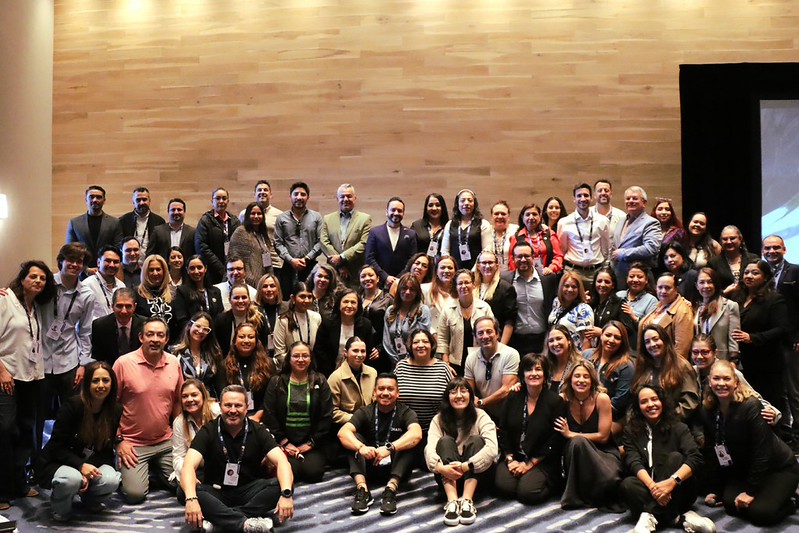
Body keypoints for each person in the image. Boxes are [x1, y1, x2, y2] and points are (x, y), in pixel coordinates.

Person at [180, 384, 294, 533]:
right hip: (217, 491)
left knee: (284, 485)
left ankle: (219, 520)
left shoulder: (258, 430)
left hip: (249, 491)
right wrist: (191, 499)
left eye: (238, 405)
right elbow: (188, 466)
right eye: (228, 405)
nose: (233, 410)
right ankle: (245, 523)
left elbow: (282, 461)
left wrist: (286, 495)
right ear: (220, 407)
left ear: (246, 408)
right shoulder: (208, 430)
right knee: (184, 491)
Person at [699, 360, 799, 527]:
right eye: (716, 378)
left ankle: (792, 501)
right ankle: (767, 495)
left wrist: (751, 492)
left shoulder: (750, 406)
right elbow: (713, 451)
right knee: (730, 504)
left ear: (736, 382)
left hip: (778, 468)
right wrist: (716, 489)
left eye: (726, 378)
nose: (721, 383)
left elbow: (762, 452)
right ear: (710, 382)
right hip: (746, 469)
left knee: (761, 514)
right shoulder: (707, 410)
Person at [0, 261, 57, 509]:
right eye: (33, 276)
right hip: (7, 377)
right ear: (22, 278)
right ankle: (1, 490)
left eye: (42, 278)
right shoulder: (5, 300)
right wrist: (2, 371)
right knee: (4, 430)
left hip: (31, 377)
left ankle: (19, 483)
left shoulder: (36, 307)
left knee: (25, 430)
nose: (38, 281)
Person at [34, 362, 122, 521]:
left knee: (112, 479)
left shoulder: (115, 410)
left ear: (112, 384)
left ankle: (91, 500)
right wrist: (80, 466)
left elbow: (106, 450)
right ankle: (61, 509)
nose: (101, 385)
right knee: (72, 479)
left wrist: (90, 471)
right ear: (87, 383)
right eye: (95, 381)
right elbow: (56, 448)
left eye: (105, 380)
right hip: (58, 462)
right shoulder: (72, 406)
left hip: (89, 462)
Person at [620, 385, 715, 533]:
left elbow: (696, 458)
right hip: (651, 488)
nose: (650, 404)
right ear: (638, 407)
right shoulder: (630, 431)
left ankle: (648, 516)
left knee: (675, 457)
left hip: (680, 489)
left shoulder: (679, 427)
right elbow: (633, 461)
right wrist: (654, 488)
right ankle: (679, 519)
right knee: (627, 485)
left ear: (662, 402)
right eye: (644, 402)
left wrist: (671, 483)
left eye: (654, 399)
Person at [113, 317, 183, 504]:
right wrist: (118, 441)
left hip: (165, 440)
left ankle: (155, 470)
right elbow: (110, 405)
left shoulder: (174, 363)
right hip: (132, 443)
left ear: (166, 339)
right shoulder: (123, 363)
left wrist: (180, 437)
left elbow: (178, 401)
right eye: (150, 334)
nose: (155, 339)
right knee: (135, 495)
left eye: (160, 335)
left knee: (186, 484)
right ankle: (141, 471)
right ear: (141, 337)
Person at [338, 373, 423, 516]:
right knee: (352, 439)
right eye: (381, 389)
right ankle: (363, 490)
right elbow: (343, 432)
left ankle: (391, 490)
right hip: (370, 465)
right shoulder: (365, 411)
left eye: (390, 389)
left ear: (398, 393)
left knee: (409, 441)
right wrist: (361, 447)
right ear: (374, 392)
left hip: (396, 468)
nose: (385, 393)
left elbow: (417, 433)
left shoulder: (405, 412)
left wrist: (390, 448)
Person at [39, 243, 95, 446]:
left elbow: (86, 331)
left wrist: (83, 364)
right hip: (40, 360)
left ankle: (66, 452)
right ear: (61, 261)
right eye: (70, 259)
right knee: (38, 414)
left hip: (69, 360)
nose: (74, 264)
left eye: (79, 261)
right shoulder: (44, 284)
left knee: (71, 412)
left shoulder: (86, 294)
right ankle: (37, 458)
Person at [425, 377, 498, 527]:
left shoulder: (481, 415)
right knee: (444, 441)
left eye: (463, 391)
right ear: (447, 397)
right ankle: (452, 502)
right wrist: (440, 468)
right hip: (448, 476)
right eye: (453, 392)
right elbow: (429, 448)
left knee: (477, 440)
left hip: (476, 476)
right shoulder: (438, 419)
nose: (458, 395)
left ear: (471, 395)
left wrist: (467, 466)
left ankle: (467, 501)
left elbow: (492, 448)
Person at [495, 354, 565, 505]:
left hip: (541, 459)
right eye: (529, 370)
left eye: (538, 369)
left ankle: (551, 483)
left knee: (527, 493)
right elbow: (503, 429)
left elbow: (555, 439)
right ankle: (522, 477)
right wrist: (510, 459)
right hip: (515, 456)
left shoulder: (555, 401)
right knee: (504, 487)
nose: (533, 373)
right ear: (522, 374)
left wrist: (529, 464)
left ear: (545, 374)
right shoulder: (513, 396)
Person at [555, 361, 623, 511]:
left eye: (586, 377)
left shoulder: (602, 398)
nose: (581, 380)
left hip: (603, 452)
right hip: (574, 454)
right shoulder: (562, 399)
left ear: (592, 380)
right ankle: (573, 497)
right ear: (570, 379)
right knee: (577, 443)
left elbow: (604, 437)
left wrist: (571, 434)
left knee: (611, 480)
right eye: (577, 376)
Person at [728, 259, 791, 419]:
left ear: (766, 277)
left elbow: (782, 329)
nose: (749, 276)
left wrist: (753, 338)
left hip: (766, 363)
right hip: (744, 362)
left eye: (755, 273)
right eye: (746, 272)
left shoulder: (774, 299)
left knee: (769, 406)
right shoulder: (737, 297)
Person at [263, 341, 332, 483]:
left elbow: (326, 415)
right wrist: (285, 442)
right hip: (283, 442)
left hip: (312, 443)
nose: (301, 359)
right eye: (296, 356)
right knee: (291, 472)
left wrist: (311, 443)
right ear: (289, 359)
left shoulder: (320, 380)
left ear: (311, 359)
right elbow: (269, 414)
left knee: (313, 473)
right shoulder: (276, 382)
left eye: (305, 356)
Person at [690, 334, 779, 426]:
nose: (699, 356)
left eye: (705, 352)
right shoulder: (690, 372)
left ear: (715, 353)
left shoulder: (731, 372)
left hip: (732, 423)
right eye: (695, 352)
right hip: (704, 423)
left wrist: (772, 412)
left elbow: (753, 396)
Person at [762, 234, 799, 450]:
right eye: (768, 248)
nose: (772, 251)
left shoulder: (794, 271)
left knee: (794, 391)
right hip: (769, 341)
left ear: (784, 249)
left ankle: (798, 436)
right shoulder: (759, 272)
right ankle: (784, 434)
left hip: (790, 341)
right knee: (778, 391)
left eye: (776, 247)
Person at [632, 325, 699, 421]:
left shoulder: (682, 366)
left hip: (674, 422)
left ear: (665, 340)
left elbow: (689, 403)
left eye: (655, 339)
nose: (652, 344)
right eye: (647, 342)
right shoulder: (642, 366)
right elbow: (634, 398)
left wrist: (665, 420)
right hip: (645, 423)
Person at [502, 242, 557, 354]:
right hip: (515, 342)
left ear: (533, 257)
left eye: (526, 256)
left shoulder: (548, 279)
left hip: (542, 341)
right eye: (519, 256)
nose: (523, 259)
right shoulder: (505, 280)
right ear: (513, 258)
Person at [395, 329, 454, 435]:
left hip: (437, 429)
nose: (421, 345)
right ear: (410, 346)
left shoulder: (442, 367)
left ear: (432, 345)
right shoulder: (401, 367)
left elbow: (454, 395)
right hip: (404, 430)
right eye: (416, 342)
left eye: (425, 342)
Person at [437, 270, 494, 376]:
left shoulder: (484, 308)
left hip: (481, 362)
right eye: (460, 283)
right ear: (456, 287)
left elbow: (493, 335)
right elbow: (442, 339)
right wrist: (446, 363)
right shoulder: (448, 309)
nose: (464, 286)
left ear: (473, 285)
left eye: (467, 282)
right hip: (455, 364)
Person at [274, 181, 324, 297]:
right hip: (288, 266)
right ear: (290, 196)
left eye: (303, 194)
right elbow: (278, 243)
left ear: (308, 197)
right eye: (296, 194)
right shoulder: (281, 218)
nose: (299, 197)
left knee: (309, 297)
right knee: (286, 298)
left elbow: (321, 242)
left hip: (310, 265)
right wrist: (291, 260)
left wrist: (307, 258)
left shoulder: (316, 217)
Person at [216, 322, 274, 421]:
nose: (246, 340)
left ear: (256, 341)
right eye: (242, 337)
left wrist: (258, 416)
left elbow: (271, 395)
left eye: (250, 337)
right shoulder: (224, 366)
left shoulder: (268, 364)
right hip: (233, 416)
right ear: (235, 340)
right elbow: (223, 395)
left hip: (262, 416)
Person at [464, 317, 520, 420]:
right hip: (483, 414)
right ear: (475, 337)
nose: (485, 336)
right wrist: (475, 402)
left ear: (497, 334)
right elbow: (469, 391)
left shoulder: (511, 354)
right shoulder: (471, 358)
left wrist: (481, 402)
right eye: (480, 333)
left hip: (509, 413)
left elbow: (506, 390)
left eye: (489, 331)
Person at [586, 321, 635, 434]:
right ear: (601, 335)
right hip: (582, 409)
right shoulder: (587, 355)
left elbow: (619, 403)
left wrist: (591, 413)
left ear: (623, 341)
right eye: (608, 335)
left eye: (617, 338)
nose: (611, 340)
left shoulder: (626, 366)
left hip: (611, 417)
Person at [558, 183, 611, 289]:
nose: (583, 199)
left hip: (596, 272)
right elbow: (562, 250)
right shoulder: (564, 222)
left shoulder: (603, 221)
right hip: (573, 271)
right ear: (574, 199)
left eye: (586, 195)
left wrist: (604, 269)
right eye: (579, 196)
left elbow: (606, 249)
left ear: (591, 198)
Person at [314, 289, 375, 377]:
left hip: (358, 373)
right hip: (329, 372)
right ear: (339, 304)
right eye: (345, 302)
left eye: (353, 302)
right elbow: (319, 350)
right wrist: (333, 373)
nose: (349, 305)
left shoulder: (366, 325)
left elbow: (368, 351)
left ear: (358, 306)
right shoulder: (327, 323)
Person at [321, 183, 373, 287]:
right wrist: (339, 264)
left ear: (355, 198)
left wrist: (342, 257)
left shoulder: (365, 219)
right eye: (342, 196)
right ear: (337, 199)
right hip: (333, 272)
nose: (345, 199)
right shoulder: (327, 219)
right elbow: (324, 242)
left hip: (355, 273)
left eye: (349, 196)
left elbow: (363, 244)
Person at [611, 186, 662, 289]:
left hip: (639, 279)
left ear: (644, 202)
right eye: (628, 198)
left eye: (634, 198)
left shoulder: (651, 222)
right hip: (618, 277)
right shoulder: (621, 220)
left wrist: (623, 254)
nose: (630, 201)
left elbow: (651, 248)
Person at [170, 379, 219, 483]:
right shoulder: (179, 422)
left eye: (194, 395)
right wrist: (188, 474)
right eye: (185, 396)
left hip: (220, 466)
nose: (189, 399)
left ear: (203, 396)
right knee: (183, 488)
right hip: (197, 469)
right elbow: (178, 457)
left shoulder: (217, 411)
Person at [65, 185, 123, 273]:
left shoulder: (115, 223)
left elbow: (118, 249)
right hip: (81, 273)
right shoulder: (74, 223)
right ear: (86, 199)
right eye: (91, 197)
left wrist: (103, 267)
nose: (95, 200)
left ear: (104, 200)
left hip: (107, 271)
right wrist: (85, 269)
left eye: (99, 197)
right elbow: (70, 251)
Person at [365, 196, 418, 290]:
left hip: (402, 284)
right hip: (379, 283)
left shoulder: (411, 234)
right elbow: (369, 258)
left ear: (403, 213)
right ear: (386, 212)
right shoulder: (375, 232)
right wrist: (385, 277)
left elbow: (412, 260)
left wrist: (398, 279)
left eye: (399, 211)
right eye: (393, 210)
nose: (396, 213)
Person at [382, 273, 432, 370]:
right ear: (399, 289)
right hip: (395, 365)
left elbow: (422, 340)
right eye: (404, 288)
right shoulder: (390, 311)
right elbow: (386, 341)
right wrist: (398, 361)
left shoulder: (422, 311)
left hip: (417, 363)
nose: (407, 292)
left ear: (417, 292)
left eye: (412, 289)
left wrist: (408, 361)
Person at [639, 272, 694, 359]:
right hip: (651, 361)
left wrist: (672, 366)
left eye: (667, 288)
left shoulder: (683, 311)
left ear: (676, 289)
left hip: (669, 363)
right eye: (660, 287)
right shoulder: (659, 305)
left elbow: (682, 349)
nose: (663, 291)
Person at [170, 312, 223, 398]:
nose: (201, 331)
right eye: (198, 326)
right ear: (190, 325)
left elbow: (218, 383)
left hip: (209, 401)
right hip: (184, 399)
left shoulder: (214, 353)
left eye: (205, 329)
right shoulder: (175, 352)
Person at [195, 187, 241, 285]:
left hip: (232, 270)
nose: (221, 201)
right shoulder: (205, 220)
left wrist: (231, 266)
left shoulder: (234, 220)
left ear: (228, 201)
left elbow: (239, 244)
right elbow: (201, 246)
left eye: (224, 198)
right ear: (212, 201)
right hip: (211, 271)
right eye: (218, 198)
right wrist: (220, 267)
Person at [328, 336, 377, 426]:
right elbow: (333, 411)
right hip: (346, 425)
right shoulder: (335, 378)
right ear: (345, 352)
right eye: (355, 351)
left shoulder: (372, 373)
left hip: (372, 423)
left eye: (363, 351)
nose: (360, 355)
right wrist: (357, 419)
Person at [237, 180, 284, 274]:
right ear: (254, 194)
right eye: (259, 190)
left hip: (274, 261)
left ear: (271, 194)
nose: (262, 192)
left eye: (265, 190)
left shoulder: (279, 215)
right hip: (251, 262)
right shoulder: (244, 214)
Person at [694, 267, 740, 361]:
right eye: (702, 282)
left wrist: (734, 360)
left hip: (723, 360)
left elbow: (734, 338)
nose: (706, 286)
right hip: (700, 359)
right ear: (696, 286)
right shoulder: (697, 308)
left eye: (710, 282)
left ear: (716, 284)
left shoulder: (730, 306)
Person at [171, 255, 224, 334]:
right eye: (192, 268)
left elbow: (220, 317)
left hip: (213, 336)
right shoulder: (182, 291)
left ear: (205, 268)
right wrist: (198, 332)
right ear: (187, 270)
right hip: (191, 335)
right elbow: (182, 320)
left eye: (199, 267)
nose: (196, 271)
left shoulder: (215, 291)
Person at [273, 281, 322, 366]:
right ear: (293, 298)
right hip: (289, 368)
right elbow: (279, 354)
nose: (306, 300)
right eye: (302, 296)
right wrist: (298, 364)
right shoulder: (283, 320)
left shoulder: (317, 318)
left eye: (309, 297)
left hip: (311, 367)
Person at [440, 189, 491, 270]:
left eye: (470, 200)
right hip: (454, 272)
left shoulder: (483, 224)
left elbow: (487, 250)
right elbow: (445, 251)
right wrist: (449, 268)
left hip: (477, 270)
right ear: (457, 204)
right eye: (462, 200)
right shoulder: (450, 224)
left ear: (474, 204)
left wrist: (475, 269)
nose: (466, 203)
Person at [508, 202, 564, 276]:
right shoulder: (516, 237)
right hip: (523, 277)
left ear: (540, 217)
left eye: (534, 214)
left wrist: (551, 268)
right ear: (522, 218)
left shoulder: (549, 234)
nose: (531, 217)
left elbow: (558, 256)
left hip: (546, 276)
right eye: (527, 214)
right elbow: (512, 261)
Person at [473, 250, 517, 345]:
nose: (487, 266)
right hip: (474, 340)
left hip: (495, 341)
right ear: (478, 266)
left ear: (497, 266)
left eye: (490, 262)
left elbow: (509, 321)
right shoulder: (471, 286)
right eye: (484, 263)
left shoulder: (506, 288)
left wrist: (501, 346)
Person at [213, 286, 270, 360]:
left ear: (249, 299)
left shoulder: (259, 319)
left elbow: (265, 344)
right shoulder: (220, 320)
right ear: (230, 300)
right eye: (236, 298)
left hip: (255, 360)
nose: (240, 301)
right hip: (228, 361)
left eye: (244, 297)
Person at [584, 266, 636, 346]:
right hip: (591, 348)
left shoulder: (619, 304)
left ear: (613, 285)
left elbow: (628, 330)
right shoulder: (591, 304)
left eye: (607, 282)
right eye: (599, 281)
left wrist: (603, 332)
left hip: (611, 348)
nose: (602, 284)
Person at [90, 288, 143, 365]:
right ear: (112, 306)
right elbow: (98, 357)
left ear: (134, 307)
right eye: (119, 306)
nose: (124, 311)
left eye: (128, 306)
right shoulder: (99, 326)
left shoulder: (144, 325)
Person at [228, 202, 273, 288]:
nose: (256, 216)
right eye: (253, 213)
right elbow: (234, 259)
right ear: (247, 215)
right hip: (245, 282)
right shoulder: (241, 232)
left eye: (259, 213)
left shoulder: (262, 233)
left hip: (262, 281)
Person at [617, 262, 659, 353]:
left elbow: (652, 329)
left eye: (640, 277)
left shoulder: (651, 300)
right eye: (631, 276)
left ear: (646, 280)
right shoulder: (618, 295)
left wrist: (634, 318)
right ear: (627, 278)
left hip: (636, 349)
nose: (635, 280)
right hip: (615, 344)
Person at [548, 271, 594, 349]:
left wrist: (583, 357)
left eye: (574, 287)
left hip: (575, 354)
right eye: (566, 286)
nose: (570, 290)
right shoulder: (556, 302)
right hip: (556, 351)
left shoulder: (584, 309)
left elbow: (587, 340)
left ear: (579, 289)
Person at [707, 225, 758, 295]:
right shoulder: (713, 263)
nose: (728, 242)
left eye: (732, 238)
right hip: (724, 299)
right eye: (725, 239)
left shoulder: (753, 259)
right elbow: (709, 288)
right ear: (721, 241)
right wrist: (724, 292)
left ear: (740, 239)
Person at [119, 187, 166, 262]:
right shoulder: (123, 220)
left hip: (151, 264)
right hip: (129, 264)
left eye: (144, 199)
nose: (141, 203)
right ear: (133, 202)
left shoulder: (159, 221)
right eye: (138, 200)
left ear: (149, 201)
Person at [146, 198, 196, 265]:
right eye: (173, 210)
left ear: (184, 212)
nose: (176, 212)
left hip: (185, 270)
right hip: (163, 269)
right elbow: (150, 255)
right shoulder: (158, 231)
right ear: (168, 212)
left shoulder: (192, 232)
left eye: (179, 210)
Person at [358, 265, 392, 363]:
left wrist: (380, 348)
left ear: (378, 279)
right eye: (363, 276)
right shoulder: (356, 298)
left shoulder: (387, 299)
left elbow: (391, 327)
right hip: (359, 346)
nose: (367, 278)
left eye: (370, 275)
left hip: (380, 348)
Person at [85, 245, 126, 320]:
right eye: (108, 261)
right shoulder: (87, 285)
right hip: (94, 327)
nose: (112, 265)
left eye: (116, 262)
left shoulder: (121, 286)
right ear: (98, 262)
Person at [253, 272, 288, 358]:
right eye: (265, 286)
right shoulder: (253, 309)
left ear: (278, 289)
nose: (269, 289)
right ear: (260, 289)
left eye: (272, 286)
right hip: (260, 356)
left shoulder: (286, 308)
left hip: (283, 355)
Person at [135, 254, 174, 329]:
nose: (155, 273)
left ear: (164, 271)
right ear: (145, 272)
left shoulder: (174, 292)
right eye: (151, 270)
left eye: (158, 269)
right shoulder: (136, 293)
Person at [421, 255, 456, 331]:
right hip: (429, 335)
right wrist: (433, 334)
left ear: (455, 272)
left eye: (450, 268)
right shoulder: (424, 289)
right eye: (442, 267)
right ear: (436, 271)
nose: (446, 271)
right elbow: (420, 317)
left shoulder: (459, 293)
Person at [544, 325, 583, 393]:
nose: (555, 343)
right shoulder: (545, 366)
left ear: (569, 341)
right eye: (551, 340)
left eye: (559, 339)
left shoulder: (580, 365)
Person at [411, 193, 448, 259]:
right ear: (426, 208)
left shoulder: (449, 226)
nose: (434, 208)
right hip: (421, 264)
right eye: (430, 205)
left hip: (442, 264)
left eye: (438, 205)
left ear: (443, 207)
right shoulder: (416, 226)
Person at [488, 200, 518, 273]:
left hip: (512, 273)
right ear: (491, 216)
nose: (500, 216)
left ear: (508, 216)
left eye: (503, 214)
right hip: (490, 274)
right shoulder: (485, 231)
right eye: (496, 214)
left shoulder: (516, 230)